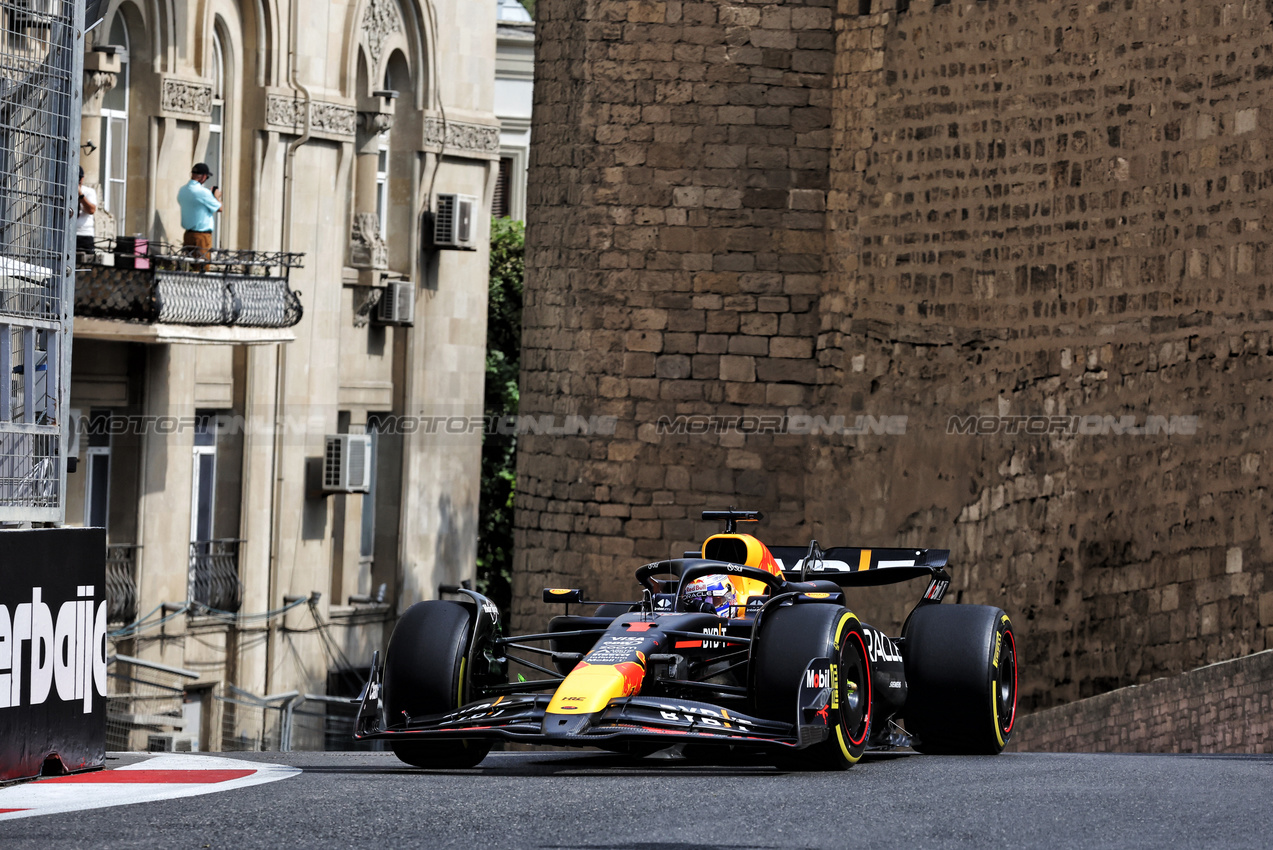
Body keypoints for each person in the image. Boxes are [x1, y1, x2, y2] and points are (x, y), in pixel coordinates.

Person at [177, 162, 222, 260]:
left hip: (188, 235)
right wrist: (216, 196)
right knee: (202, 268)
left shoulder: (182, 190)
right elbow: (219, 208)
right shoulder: (203, 192)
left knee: (189, 266)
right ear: (203, 177)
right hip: (202, 236)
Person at [76, 166, 96, 255]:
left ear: (82, 179)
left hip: (84, 234)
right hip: (69, 234)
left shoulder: (88, 191)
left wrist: (80, 195)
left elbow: (91, 210)